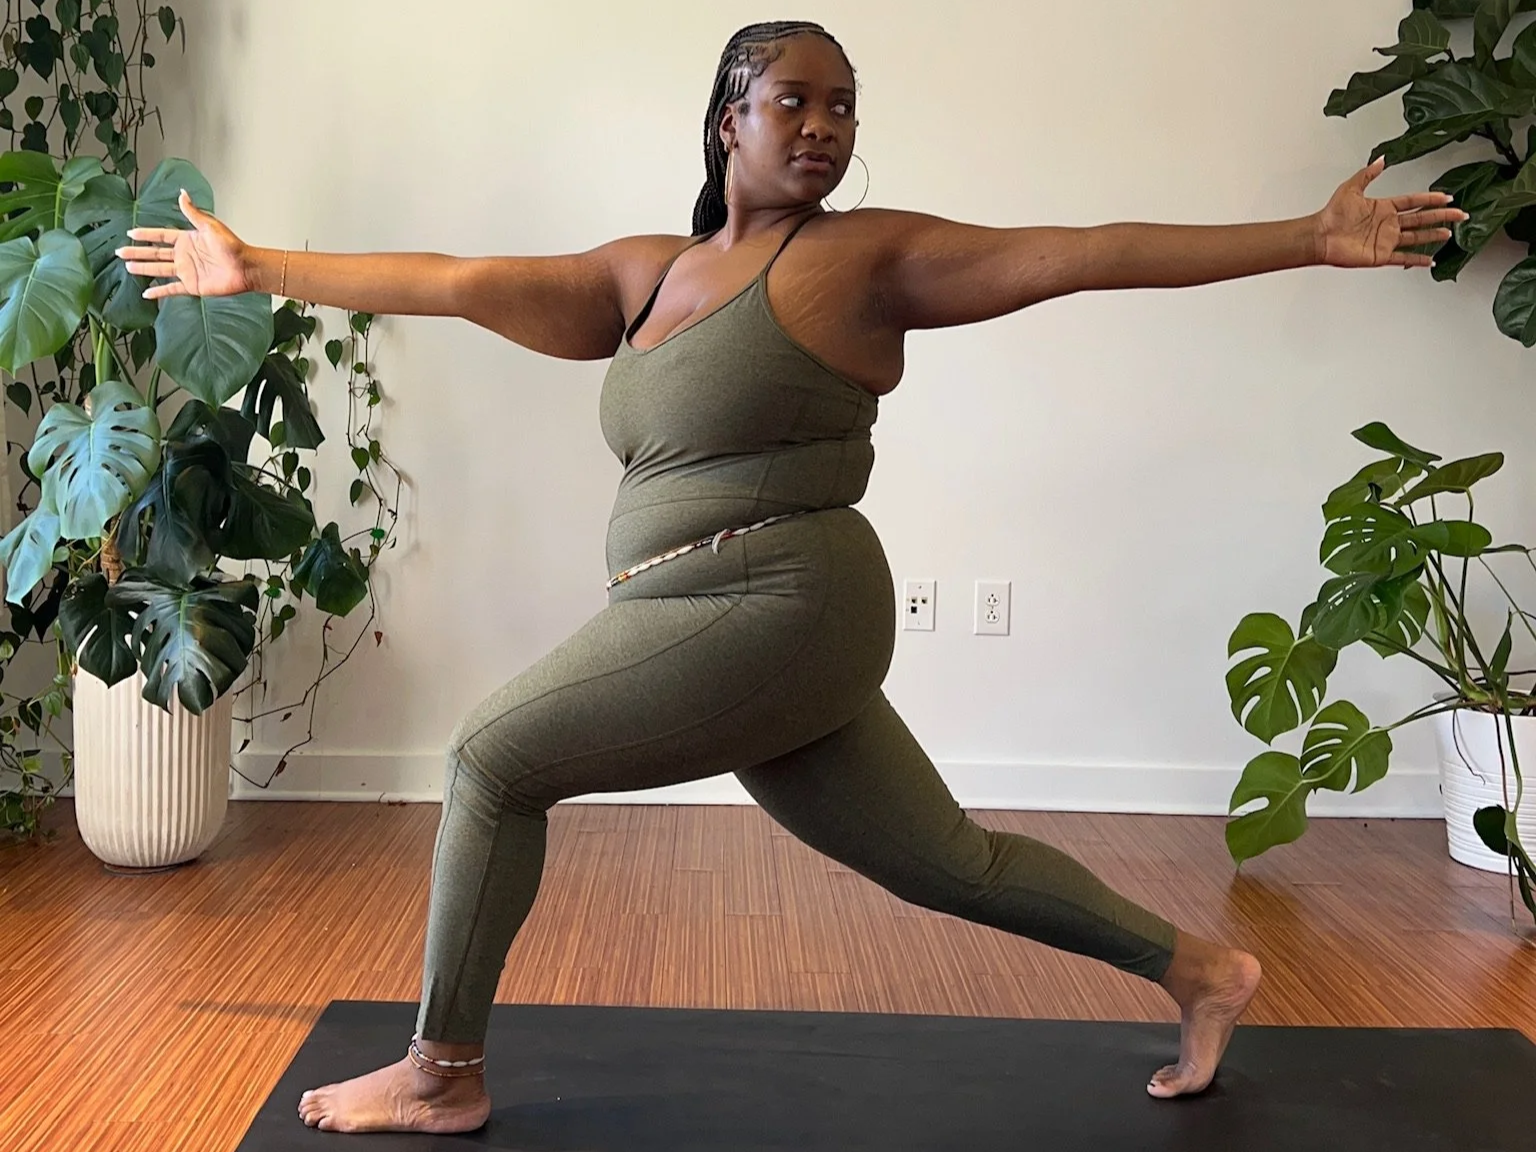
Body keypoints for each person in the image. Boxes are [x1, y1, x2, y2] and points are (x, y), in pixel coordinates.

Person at [117, 19, 1465, 1138]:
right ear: (729, 118)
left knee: (490, 759)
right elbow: (464, 277)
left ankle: (441, 1072)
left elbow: (1081, 249)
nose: (822, 125)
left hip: (778, 598)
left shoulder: (861, 258)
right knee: (949, 863)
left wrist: (1305, 234)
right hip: (694, 610)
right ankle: (1205, 971)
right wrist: (264, 269)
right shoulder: (647, 275)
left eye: (843, 106)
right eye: (793, 100)